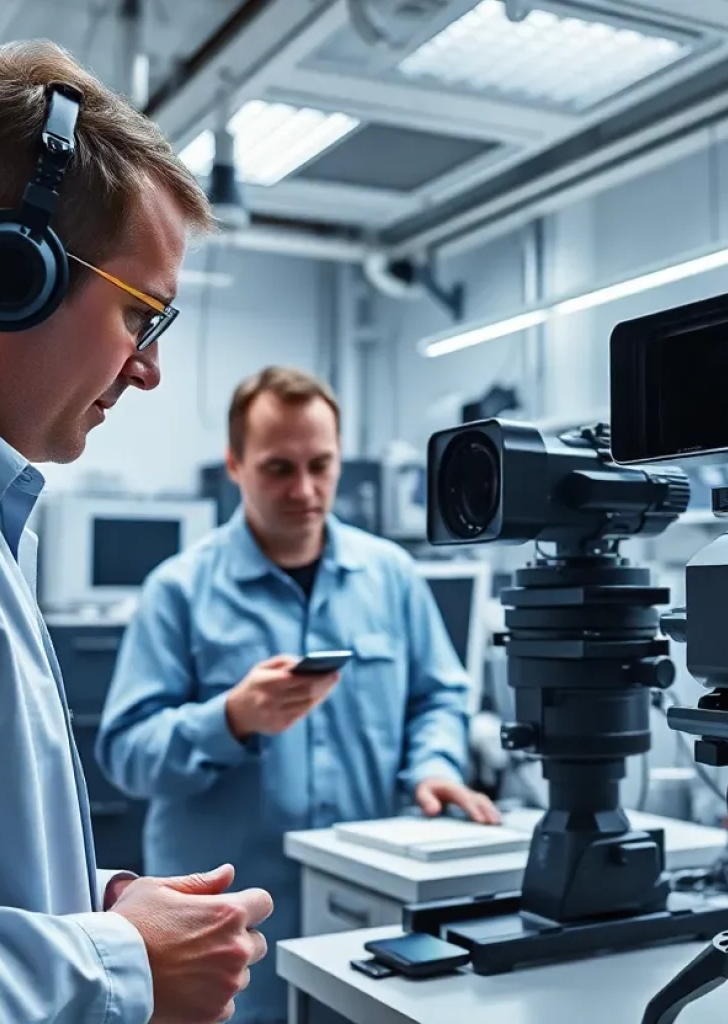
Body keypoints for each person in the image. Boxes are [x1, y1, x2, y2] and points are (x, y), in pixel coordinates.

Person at [0, 41, 273, 1024]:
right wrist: (119, 960)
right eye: (143, 314)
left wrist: (87, 907)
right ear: (6, 272)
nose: (146, 370)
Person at [96, 366, 500, 1022]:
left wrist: (435, 765)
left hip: (366, 913)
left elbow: (438, 696)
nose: (306, 490)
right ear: (234, 464)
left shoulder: (391, 576)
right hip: (229, 936)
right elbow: (125, 753)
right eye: (279, 468)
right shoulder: (179, 590)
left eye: (322, 464)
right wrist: (230, 718)